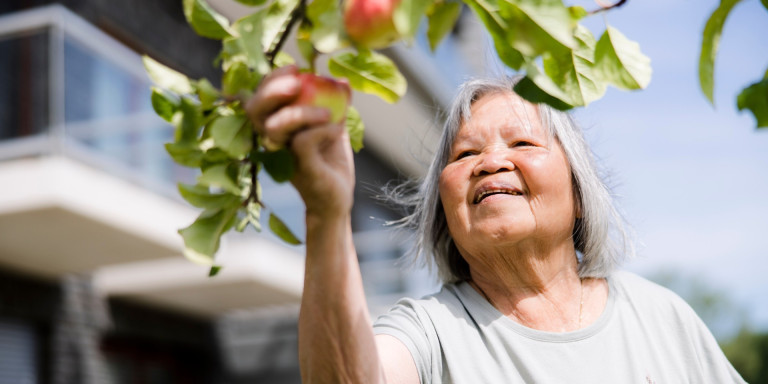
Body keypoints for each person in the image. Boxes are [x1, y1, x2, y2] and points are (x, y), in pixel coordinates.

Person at [246, 66, 746, 383]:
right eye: (465, 153)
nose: (489, 163)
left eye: (523, 144)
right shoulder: (430, 332)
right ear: (445, 210)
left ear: (579, 196)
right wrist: (327, 212)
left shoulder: (658, 315)